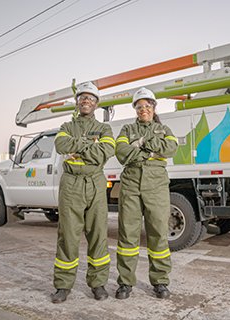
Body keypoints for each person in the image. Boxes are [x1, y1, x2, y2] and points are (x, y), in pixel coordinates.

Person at [51, 81, 116, 303]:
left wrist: (77, 147)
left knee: (98, 235)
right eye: (82, 97)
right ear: (77, 102)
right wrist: (90, 144)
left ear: (96, 103)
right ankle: (63, 286)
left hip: (96, 183)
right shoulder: (65, 127)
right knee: (68, 236)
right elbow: (61, 146)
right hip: (71, 184)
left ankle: (98, 284)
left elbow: (105, 151)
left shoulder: (105, 129)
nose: (86, 100)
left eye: (90, 98)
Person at [114, 87, 178, 299]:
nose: (144, 110)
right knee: (128, 235)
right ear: (135, 109)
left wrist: (141, 145)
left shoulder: (165, 129)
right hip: (131, 185)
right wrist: (150, 151)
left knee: (158, 234)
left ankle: (160, 282)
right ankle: (125, 283)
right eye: (140, 106)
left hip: (157, 186)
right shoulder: (126, 130)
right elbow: (122, 153)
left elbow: (170, 149)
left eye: (147, 106)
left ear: (153, 107)